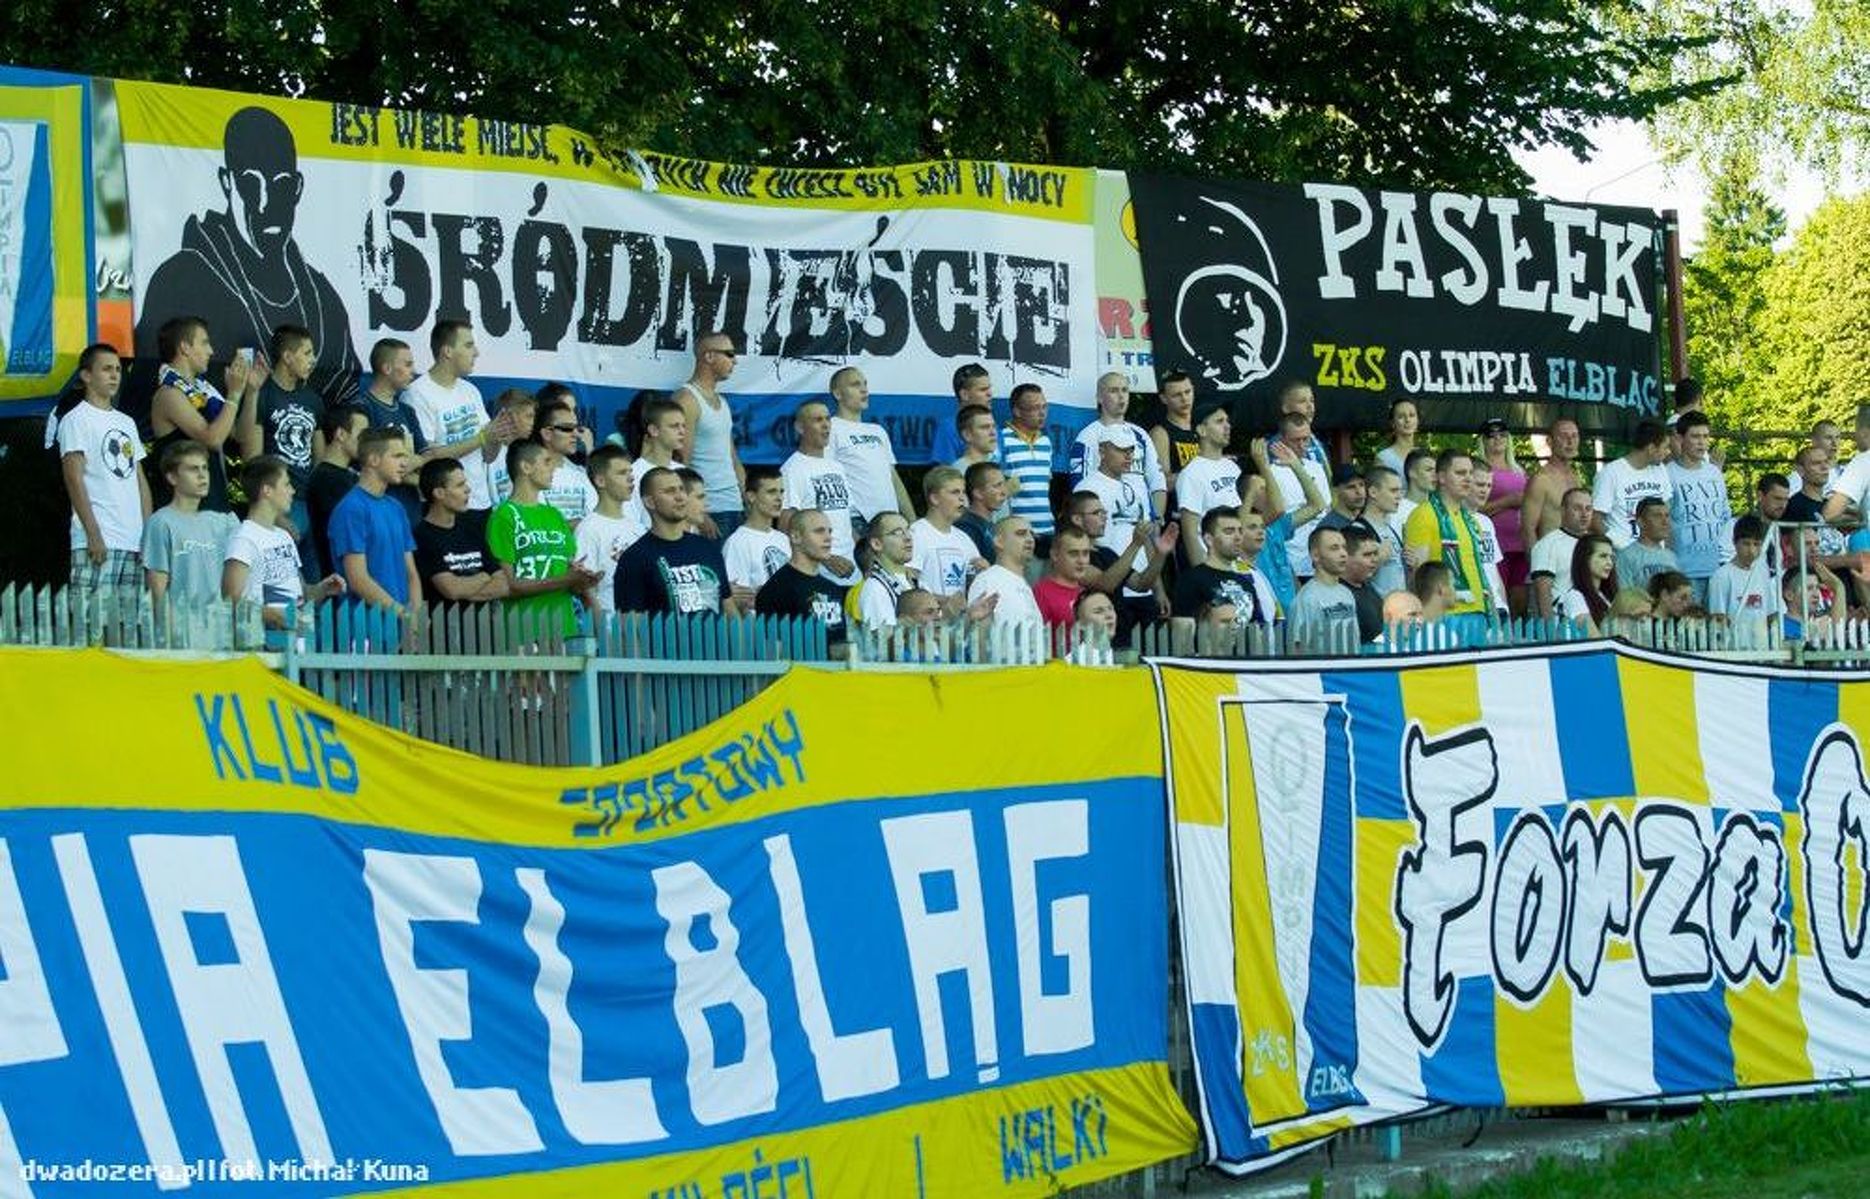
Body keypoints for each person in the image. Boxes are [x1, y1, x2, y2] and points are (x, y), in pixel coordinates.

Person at [134, 106, 360, 401]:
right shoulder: (182, 278)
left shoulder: (322, 299)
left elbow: (345, 398)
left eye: (282, 185)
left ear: (298, 189)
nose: (267, 205)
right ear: (228, 182)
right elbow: (150, 390)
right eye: (252, 184)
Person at [57, 343, 150, 593]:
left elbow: (139, 480)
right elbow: (73, 478)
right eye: (106, 369)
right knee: (90, 624)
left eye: (118, 370)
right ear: (86, 375)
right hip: (97, 539)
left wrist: (147, 535)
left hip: (134, 542)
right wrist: (93, 534)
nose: (114, 375)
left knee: (127, 627)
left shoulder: (127, 422)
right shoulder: (75, 419)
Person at [486, 440, 601, 636]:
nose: (554, 468)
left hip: (565, 630)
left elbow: (567, 570)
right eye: (547, 462)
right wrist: (566, 579)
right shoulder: (503, 516)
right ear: (526, 467)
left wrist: (581, 580)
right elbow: (510, 585)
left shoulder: (554, 515)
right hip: (522, 634)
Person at [148, 316, 256, 512]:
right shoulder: (168, 394)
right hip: (185, 510)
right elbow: (212, 438)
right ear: (185, 348)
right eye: (205, 343)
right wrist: (233, 394)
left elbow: (241, 435)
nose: (211, 351)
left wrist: (251, 392)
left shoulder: (204, 391)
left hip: (215, 501)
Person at [222, 455, 343, 629]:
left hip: (293, 643)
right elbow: (231, 600)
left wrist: (321, 589)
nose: (292, 491)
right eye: (286, 484)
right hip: (259, 645)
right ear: (267, 490)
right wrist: (273, 615)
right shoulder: (243, 538)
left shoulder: (284, 536)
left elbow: (301, 593)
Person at [237, 325, 327, 555]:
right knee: (282, 584)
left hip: (310, 503)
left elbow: (321, 459)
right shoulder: (262, 395)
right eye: (306, 353)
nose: (313, 359)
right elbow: (253, 462)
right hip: (277, 503)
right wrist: (274, 514)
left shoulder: (313, 400)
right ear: (287, 356)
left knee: (313, 584)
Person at [406, 320, 508, 511]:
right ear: (447, 351)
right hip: (443, 506)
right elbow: (428, 457)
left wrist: (496, 437)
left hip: (479, 501)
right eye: (468, 345)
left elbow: (487, 456)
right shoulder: (417, 394)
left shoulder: (470, 391)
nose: (476, 353)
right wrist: (483, 437)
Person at [614, 467, 738, 615]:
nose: (680, 497)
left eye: (681, 489)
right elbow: (630, 628)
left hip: (713, 638)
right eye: (670, 491)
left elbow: (729, 611)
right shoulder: (634, 559)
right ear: (649, 502)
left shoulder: (708, 548)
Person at [327, 427, 419, 615]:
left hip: (402, 628)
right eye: (397, 456)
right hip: (365, 630)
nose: (405, 463)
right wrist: (404, 615)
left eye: (405, 456)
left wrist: (415, 615)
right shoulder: (351, 509)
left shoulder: (396, 507)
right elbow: (358, 579)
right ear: (373, 460)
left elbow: (411, 573)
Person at [1403, 448, 1492, 637]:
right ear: (1441, 478)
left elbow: (1481, 570)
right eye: (1460, 473)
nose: (1468, 478)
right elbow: (1418, 574)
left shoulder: (1471, 520)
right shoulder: (1424, 514)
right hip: (1445, 616)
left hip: (1478, 611)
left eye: (1469, 473)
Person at [143, 441, 239, 610]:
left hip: (220, 629)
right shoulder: (160, 522)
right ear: (172, 477)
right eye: (193, 469)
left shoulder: (223, 522)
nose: (202, 475)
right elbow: (157, 592)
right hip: (181, 630)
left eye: (205, 468)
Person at [675, 329, 747, 537]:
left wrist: (747, 499)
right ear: (709, 356)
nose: (735, 361)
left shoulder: (722, 402)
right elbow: (681, 463)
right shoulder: (687, 399)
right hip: (710, 509)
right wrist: (698, 512)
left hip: (734, 506)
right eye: (730, 354)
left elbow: (732, 458)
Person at [779, 398, 860, 583]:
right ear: (800, 428)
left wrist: (861, 556)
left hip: (851, 570)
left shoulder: (837, 466)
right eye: (817, 420)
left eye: (827, 419)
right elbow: (786, 526)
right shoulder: (792, 468)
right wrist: (826, 560)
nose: (825, 425)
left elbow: (845, 518)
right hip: (819, 572)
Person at [828, 365, 914, 536]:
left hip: (892, 522)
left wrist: (912, 520)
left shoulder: (878, 431)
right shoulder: (830, 428)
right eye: (855, 384)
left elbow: (893, 479)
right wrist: (848, 529)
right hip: (858, 521)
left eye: (865, 384)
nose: (864, 389)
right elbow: (828, 479)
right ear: (837, 394)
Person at [413, 458, 507, 604]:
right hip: (447, 624)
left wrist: (465, 589)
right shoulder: (422, 536)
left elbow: (503, 585)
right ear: (439, 493)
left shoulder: (472, 530)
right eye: (460, 485)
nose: (468, 489)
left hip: (485, 624)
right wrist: (484, 576)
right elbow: (452, 590)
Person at [755, 509, 851, 646]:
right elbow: (773, 650)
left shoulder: (832, 588)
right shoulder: (777, 589)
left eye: (830, 531)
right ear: (795, 537)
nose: (828, 537)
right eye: (819, 531)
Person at [1666, 411, 1732, 605]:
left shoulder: (1714, 472)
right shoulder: (1668, 474)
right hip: (1684, 568)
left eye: (1705, 436)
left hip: (1717, 565)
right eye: (1695, 436)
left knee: (1719, 628)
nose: (1701, 442)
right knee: (1691, 628)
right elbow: (1665, 521)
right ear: (1680, 438)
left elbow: (1725, 515)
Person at [574, 446, 646, 621]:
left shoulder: (638, 528)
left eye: (630, 471)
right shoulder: (588, 529)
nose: (631, 478)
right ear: (600, 481)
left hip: (645, 627)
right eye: (622, 473)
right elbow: (586, 589)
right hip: (611, 629)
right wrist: (606, 633)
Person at [1173, 508, 1274, 626]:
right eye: (1229, 531)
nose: (1238, 537)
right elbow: (1181, 638)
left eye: (1240, 531)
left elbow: (1255, 632)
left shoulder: (1246, 583)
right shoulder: (1191, 581)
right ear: (1209, 540)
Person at [1262, 410, 1331, 582]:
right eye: (1295, 440)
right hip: (1292, 562)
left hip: (1321, 561)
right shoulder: (1272, 473)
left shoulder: (1316, 467)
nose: (1302, 445)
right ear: (1282, 440)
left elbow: (1326, 510)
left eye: (1305, 439)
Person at [1174, 399, 1243, 565]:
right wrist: (1204, 574)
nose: (1227, 426)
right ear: (1202, 430)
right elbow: (1190, 532)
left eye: (1227, 421)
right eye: (1220, 421)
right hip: (1212, 562)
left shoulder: (1233, 467)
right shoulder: (1191, 473)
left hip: (1240, 562)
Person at [304, 403, 367, 578]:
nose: (366, 442)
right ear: (340, 434)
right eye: (362, 434)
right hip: (339, 578)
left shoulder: (349, 475)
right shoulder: (326, 478)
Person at [912, 466, 988, 603]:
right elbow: (909, 587)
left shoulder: (964, 539)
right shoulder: (916, 533)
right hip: (927, 621)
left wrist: (983, 572)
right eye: (955, 492)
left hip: (959, 622)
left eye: (963, 492)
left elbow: (973, 586)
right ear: (934, 498)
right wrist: (947, 602)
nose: (962, 499)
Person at [1592, 420, 1672, 548]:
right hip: (1624, 555)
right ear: (1651, 448)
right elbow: (1595, 519)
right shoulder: (1611, 473)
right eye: (1665, 447)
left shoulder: (1660, 470)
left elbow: (1667, 510)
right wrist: (1620, 546)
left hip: (1656, 554)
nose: (1668, 452)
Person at [998, 383, 1059, 547]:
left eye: (1044, 407)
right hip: (1017, 535)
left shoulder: (1045, 442)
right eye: (1035, 408)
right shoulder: (1001, 439)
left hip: (1047, 532)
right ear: (1017, 411)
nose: (1042, 413)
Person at [722, 468, 792, 610]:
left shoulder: (783, 539)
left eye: (781, 491)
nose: (779, 498)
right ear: (751, 496)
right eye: (771, 492)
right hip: (757, 628)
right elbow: (738, 602)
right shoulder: (738, 542)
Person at [1478, 417, 1528, 611]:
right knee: (1499, 595)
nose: (1497, 438)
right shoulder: (1480, 469)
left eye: (1502, 434)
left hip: (1520, 543)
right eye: (1491, 435)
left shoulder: (1519, 470)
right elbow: (1471, 507)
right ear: (1483, 440)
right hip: (1495, 543)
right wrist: (1508, 501)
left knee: (1520, 600)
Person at [532, 387, 600, 524]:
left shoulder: (580, 473)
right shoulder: (527, 472)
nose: (575, 434)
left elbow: (598, 520)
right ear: (546, 432)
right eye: (567, 427)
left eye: (574, 410)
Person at [1707, 515, 1783, 633]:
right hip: (1734, 646)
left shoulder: (1762, 572)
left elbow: (1770, 613)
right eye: (1746, 544)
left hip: (1762, 646)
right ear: (1734, 542)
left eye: (1756, 544)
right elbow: (1718, 618)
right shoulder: (1721, 576)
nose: (1751, 551)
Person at [1529, 487, 1595, 619]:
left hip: (1593, 616)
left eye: (1588, 509)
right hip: (1564, 623)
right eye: (1577, 508)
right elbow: (1542, 591)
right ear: (1563, 511)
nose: (1584, 514)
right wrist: (1550, 631)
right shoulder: (1548, 545)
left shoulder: (1595, 544)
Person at [1289, 527, 1358, 652]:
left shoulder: (1347, 593)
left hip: (1351, 669)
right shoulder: (1306, 599)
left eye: (1344, 547)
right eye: (1334, 548)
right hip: (1324, 671)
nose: (1343, 553)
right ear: (1315, 555)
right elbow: (1297, 650)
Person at [966, 517, 1041, 628]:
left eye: (1032, 535)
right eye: (1021, 534)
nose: (1030, 539)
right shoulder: (987, 580)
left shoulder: (1022, 582)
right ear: (999, 542)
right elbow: (978, 636)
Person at [850, 511, 918, 629]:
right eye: (897, 532)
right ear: (876, 544)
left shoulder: (918, 581)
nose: (908, 537)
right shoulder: (875, 588)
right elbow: (882, 642)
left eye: (908, 530)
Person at [1521, 417, 1583, 542]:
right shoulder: (1541, 480)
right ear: (1550, 441)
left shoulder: (1575, 478)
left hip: (1574, 554)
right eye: (1563, 436)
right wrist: (1536, 560)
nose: (1570, 441)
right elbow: (1527, 529)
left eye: (1574, 436)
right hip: (1549, 556)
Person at [627, 395, 687, 520]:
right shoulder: (634, 473)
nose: (682, 431)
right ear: (654, 430)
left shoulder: (683, 470)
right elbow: (631, 521)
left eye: (683, 426)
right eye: (674, 426)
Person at [480, 388, 541, 506]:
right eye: (529, 416)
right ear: (509, 416)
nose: (533, 423)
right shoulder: (485, 452)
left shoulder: (524, 452)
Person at [1464, 470, 1510, 620]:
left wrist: (1504, 605)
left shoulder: (1486, 522)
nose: (1485, 490)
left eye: (1489, 485)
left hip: (1498, 606)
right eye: (1480, 485)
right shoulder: (1452, 520)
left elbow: (1494, 569)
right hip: (1475, 606)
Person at [1148, 369, 1200, 494]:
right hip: (1178, 508)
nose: (1184, 399)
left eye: (1188, 392)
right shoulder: (1160, 433)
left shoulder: (1202, 428)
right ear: (1164, 398)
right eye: (1177, 395)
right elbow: (1161, 483)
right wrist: (1203, 467)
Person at [1615, 497, 1680, 592]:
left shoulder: (1671, 557)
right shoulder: (1626, 556)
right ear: (1640, 522)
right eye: (1657, 516)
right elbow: (1624, 596)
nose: (1665, 522)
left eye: (1667, 516)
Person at [1557, 534, 1618, 635]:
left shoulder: (1606, 597)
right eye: (1603, 556)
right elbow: (1593, 637)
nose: (1610, 562)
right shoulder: (1575, 596)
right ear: (1585, 559)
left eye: (1611, 557)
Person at [1034, 526, 1094, 628]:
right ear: (1055, 555)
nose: (1081, 561)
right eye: (1073, 554)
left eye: (1085, 553)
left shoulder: (1088, 593)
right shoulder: (1040, 593)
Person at [1363, 465, 1408, 596]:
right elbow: (1350, 575)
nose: (1399, 496)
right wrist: (1379, 558)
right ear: (1373, 492)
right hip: (1378, 610)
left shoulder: (1390, 529)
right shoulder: (1360, 530)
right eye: (1393, 491)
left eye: (1400, 491)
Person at [1341, 525, 1386, 643]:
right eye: (1367, 555)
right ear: (1345, 558)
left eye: (1375, 553)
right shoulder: (1340, 596)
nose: (1374, 559)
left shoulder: (1368, 588)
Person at [957, 462, 1009, 562]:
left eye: (1003, 484)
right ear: (978, 493)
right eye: (997, 486)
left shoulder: (991, 525)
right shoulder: (966, 528)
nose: (1004, 492)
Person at [1316, 463, 1373, 537]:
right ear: (1336, 490)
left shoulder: (1368, 519)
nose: (1359, 492)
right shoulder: (1328, 528)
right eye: (1351, 487)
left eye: (1361, 485)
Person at [951, 404, 1001, 474]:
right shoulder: (959, 472)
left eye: (994, 426)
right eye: (985, 427)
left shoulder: (996, 465)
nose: (993, 433)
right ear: (967, 435)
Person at [1375, 398, 1419, 477]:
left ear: (1417, 420)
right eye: (1401, 416)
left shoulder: (1424, 454)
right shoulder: (1383, 458)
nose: (1407, 420)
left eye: (1412, 415)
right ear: (1392, 423)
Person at [1398, 446, 1437, 530]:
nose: (1435, 475)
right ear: (1412, 473)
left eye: (1436, 470)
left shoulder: (1439, 510)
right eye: (1428, 470)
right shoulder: (1397, 510)